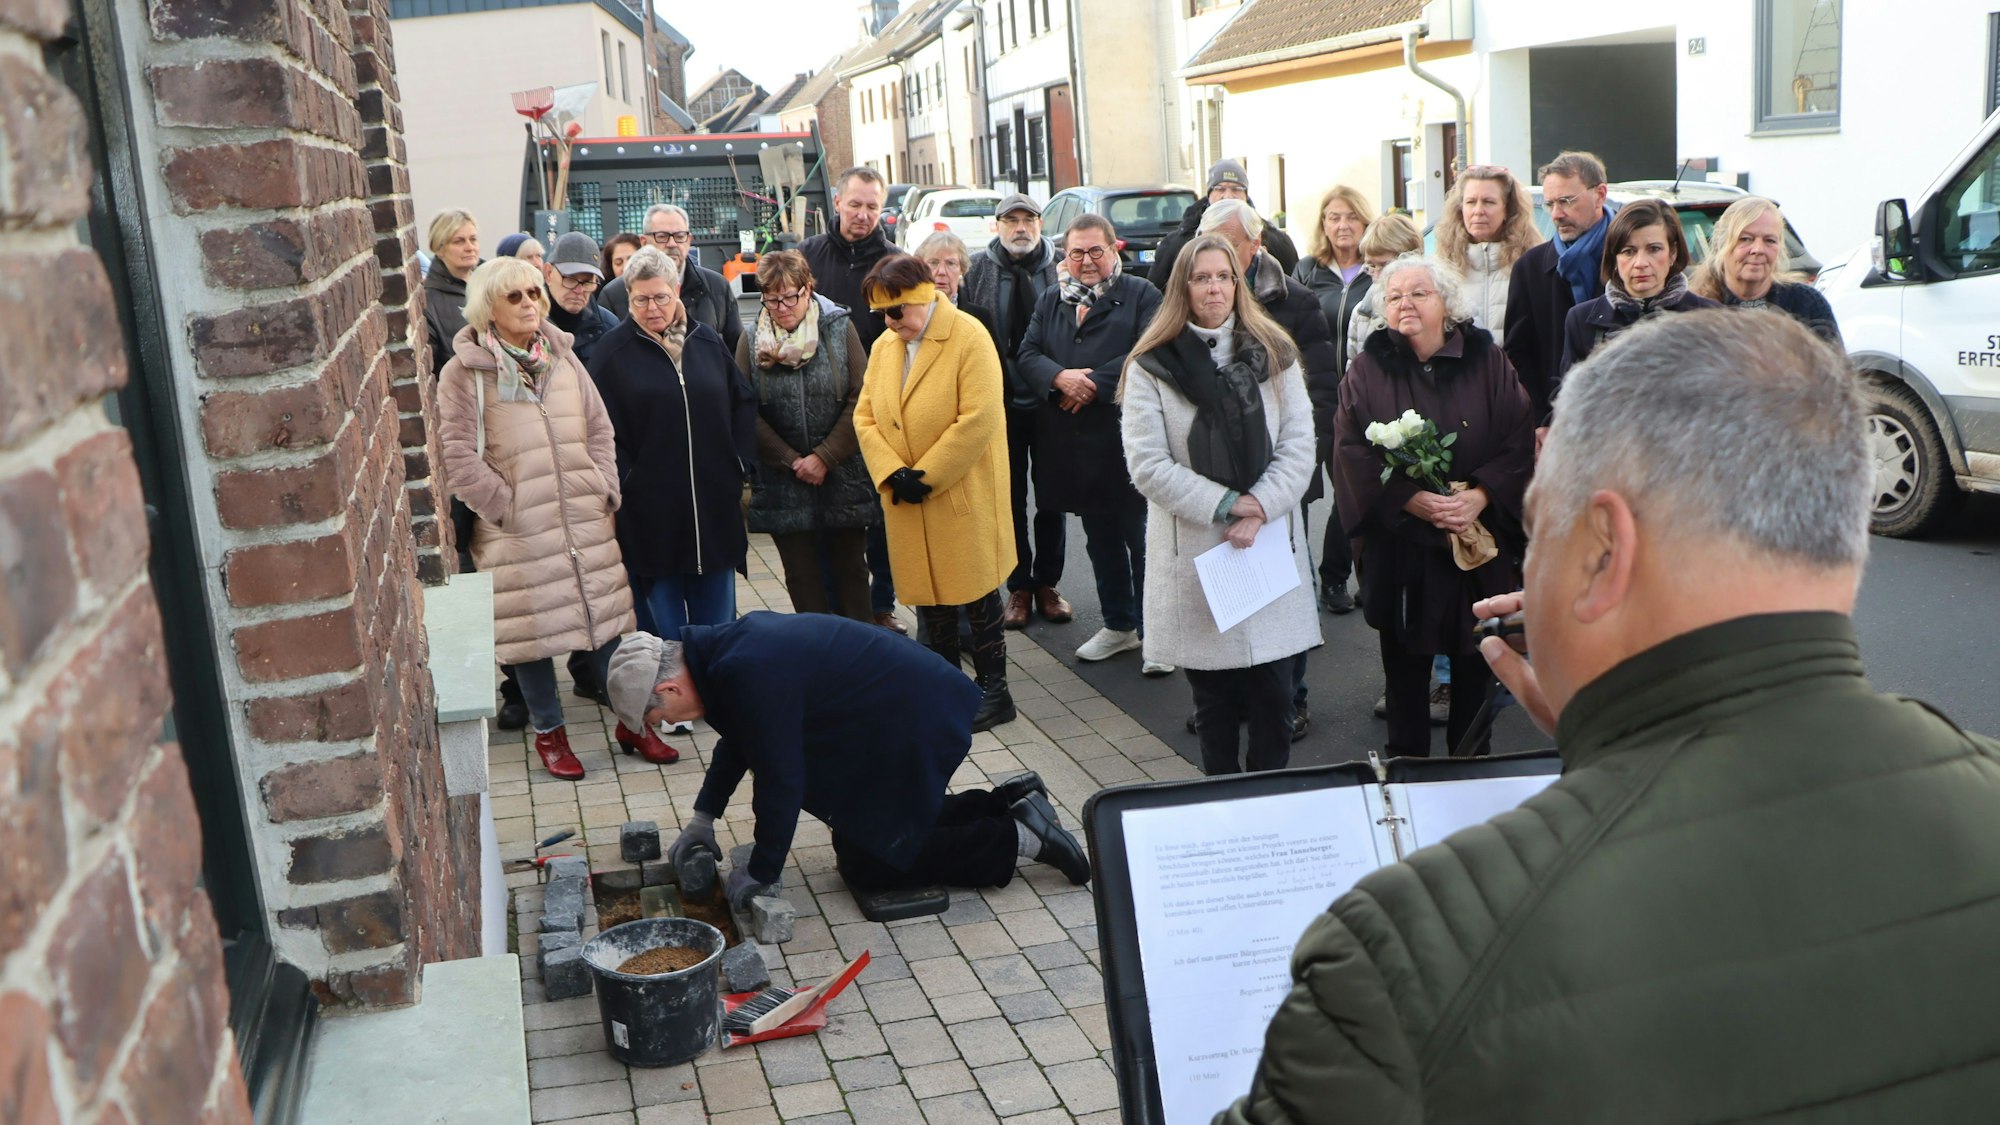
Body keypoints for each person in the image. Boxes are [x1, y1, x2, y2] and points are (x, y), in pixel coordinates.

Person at [1220, 309, 2000, 1124]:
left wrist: (1617, 758)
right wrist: (1613, 735)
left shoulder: (1403, 959)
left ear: (1603, 552)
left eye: (1536, 527)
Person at [606, 620, 1090, 912]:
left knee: (870, 861)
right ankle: (1010, 801)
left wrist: (763, 870)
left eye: (657, 718)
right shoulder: (717, 657)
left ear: (668, 689)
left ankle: (1019, 838)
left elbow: (781, 778)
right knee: (865, 835)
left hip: (916, 717)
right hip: (895, 712)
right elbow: (740, 742)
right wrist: (704, 816)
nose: (664, 725)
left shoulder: (744, 670)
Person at [435, 257, 668, 778]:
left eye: (534, 293)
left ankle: (634, 722)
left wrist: (603, 487)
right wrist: (502, 505)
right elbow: (454, 454)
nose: (529, 304)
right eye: (514, 296)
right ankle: (550, 734)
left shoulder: (561, 356)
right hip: (517, 528)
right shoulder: (464, 373)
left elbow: (599, 427)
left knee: (605, 625)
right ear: (487, 307)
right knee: (531, 633)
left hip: (584, 516)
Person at [1122, 234, 1320, 775]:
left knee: (1276, 700)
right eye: (1202, 278)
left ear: (1239, 284)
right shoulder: (1150, 364)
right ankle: (1222, 802)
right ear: (1182, 288)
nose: (1214, 288)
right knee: (1213, 708)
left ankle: (1269, 800)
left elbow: (1299, 444)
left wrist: (1259, 505)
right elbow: (1148, 465)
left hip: (1267, 543)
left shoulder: (1275, 351)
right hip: (1198, 547)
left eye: (1224, 277)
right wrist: (1232, 505)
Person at [1334, 257, 1534, 759]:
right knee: (1404, 677)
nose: (1405, 303)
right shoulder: (1367, 369)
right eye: (1394, 296)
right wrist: (1411, 499)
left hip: (1477, 543)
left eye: (1419, 293)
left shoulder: (1487, 361)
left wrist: (1481, 495)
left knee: (1476, 668)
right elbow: (1350, 450)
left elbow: (1517, 436)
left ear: (1447, 304)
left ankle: (1471, 769)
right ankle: (1407, 775)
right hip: (1405, 547)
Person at [852, 254, 1017, 732]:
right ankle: (948, 690)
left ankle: (995, 691)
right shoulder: (885, 347)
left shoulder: (968, 336)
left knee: (976, 595)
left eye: (896, 311)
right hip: (908, 498)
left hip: (959, 493)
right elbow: (865, 416)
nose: (889, 322)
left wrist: (925, 476)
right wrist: (892, 472)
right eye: (881, 313)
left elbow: (980, 417)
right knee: (930, 598)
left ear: (923, 298)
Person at [1199, 199, 1339, 740]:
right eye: (1206, 242)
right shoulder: (1191, 298)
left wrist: (1296, 471)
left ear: (1255, 246)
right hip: (1217, 481)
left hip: (1279, 477)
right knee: (1230, 589)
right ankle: (1233, 697)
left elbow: (1320, 392)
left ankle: (1290, 699)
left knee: (1285, 590)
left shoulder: (1292, 300)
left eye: (1228, 244)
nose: (1214, 259)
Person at [588, 247, 757, 659]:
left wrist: (739, 465)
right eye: (641, 299)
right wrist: (629, 481)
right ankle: (668, 690)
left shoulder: (707, 341)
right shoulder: (612, 354)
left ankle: (715, 687)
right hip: (651, 517)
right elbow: (597, 431)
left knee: (718, 628)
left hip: (713, 512)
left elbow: (742, 402)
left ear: (676, 290)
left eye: (661, 297)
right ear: (628, 297)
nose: (652, 309)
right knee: (663, 632)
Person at [1018, 214, 1165, 674]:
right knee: (1100, 541)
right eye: (1076, 252)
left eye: (1095, 251)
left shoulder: (1142, 294)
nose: (1086, 261)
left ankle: (1158, 635)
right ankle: (1119, 625)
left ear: (1114, 249)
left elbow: (1151, 348)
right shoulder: (1051, 298)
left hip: (1127, 442)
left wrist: (1094, 385)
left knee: (1143, 542)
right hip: (1075, 446)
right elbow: (1028, 353)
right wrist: (1059, 378)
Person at [735, 249, 877, 622]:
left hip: (843, 474)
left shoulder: (839, 329)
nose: (781, 308)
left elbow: (862, 396)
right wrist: (791, 460)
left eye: (789, 297)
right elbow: (744, 408)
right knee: (801, 577)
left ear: (808, 289)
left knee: (851, 572)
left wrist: (825, 456)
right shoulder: (751, 340)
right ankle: (818, 651)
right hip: (782, 481)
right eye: (771, 300)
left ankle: (862, 649)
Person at [802, 166, 907, 633]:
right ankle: (836, 608)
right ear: (838, 203)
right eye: (855, 204)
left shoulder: (896, 264)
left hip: (883, 406)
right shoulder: (808, 256)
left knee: (881, 513)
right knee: (832, 516)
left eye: (872, 207)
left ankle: (881, 605)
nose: (863, 214)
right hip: (823, 409)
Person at [963, 193, 1072, 630]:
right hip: (1000, 404)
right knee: (1007, 500)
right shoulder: (976, 269)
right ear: (998, 225)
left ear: (1041, 224)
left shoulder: (1061, 266)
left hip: (1051, 401)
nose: (1021, 228)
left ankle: (1047, 584)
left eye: (1029, 219)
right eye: (1012, 220)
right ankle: (1018, 586)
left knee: (1051, 497)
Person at [1293, 186, 1376, 619]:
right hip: (1315, 400)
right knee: (1299, 492)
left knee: (1353, 492)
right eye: (1333, 217)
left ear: (1364, 221)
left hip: (1363, 401)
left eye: (1350, 217)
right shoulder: (1307, 271)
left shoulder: (1376, 271)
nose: (1342, 225)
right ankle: (1301, 582)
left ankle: (1337, 576)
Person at [1504, 151, 1617, 423]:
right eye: (1550, 204)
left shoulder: (1628, 260)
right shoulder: (1530, 268)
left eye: (1566, 201)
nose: (1556, 214)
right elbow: (1519, 355)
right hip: (1557, 423)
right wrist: (1540, 421)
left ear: (1600, 194)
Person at [1559, 199, 1719, 379]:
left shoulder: (1709, 317)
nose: (1640, 263)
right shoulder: (1582, 320)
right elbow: (1569, 393)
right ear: (1614, 258)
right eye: (1629, 251)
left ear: (1672, 253)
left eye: (1654, 249)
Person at [1689, 195, 1842, 344]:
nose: (1758, 249)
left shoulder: (1807, 305)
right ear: (1721, 245)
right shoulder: (1694, 310)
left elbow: (1834, 360)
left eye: (1769, 240)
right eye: (1745, 239)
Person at [599, 204, 744, 355]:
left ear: (689, 240)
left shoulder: (717, 286)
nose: (672, 243)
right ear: (644, 242)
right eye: (662, 236)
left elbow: (736, 351)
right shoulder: (613, 294)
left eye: (679, 236)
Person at [1149, 159, 1300, 292]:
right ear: (1209, 194)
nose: (1228, 196)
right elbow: (1160, 297)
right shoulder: (1177, 244)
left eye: (1236, 189)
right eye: (1220, 189)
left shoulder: (1276, 242)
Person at [1434, 165, 1541, 340]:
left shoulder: (1531, 265)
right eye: (1470, 202)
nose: (1478, 211)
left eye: (1488, 202)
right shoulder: (1441, 269)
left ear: (1508, 209)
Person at [1343, 215, 1424, 364]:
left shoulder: (1433, 308)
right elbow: (1354, 371)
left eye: (1385, 265)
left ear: (1411, 260)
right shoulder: (1361, 313)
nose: (1377, 275)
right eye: (1371, 266)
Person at [541, 232, 619, 365]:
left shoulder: (608, 326)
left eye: (587, 282)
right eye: (570, 279)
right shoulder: (529, 323)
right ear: (548, 273)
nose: (579, 290)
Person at [423, 208, 481, 377]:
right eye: (459, 241)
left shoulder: (493, 284)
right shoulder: (428, 301)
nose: (470, 247)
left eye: (473, 239)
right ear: (439, 248)